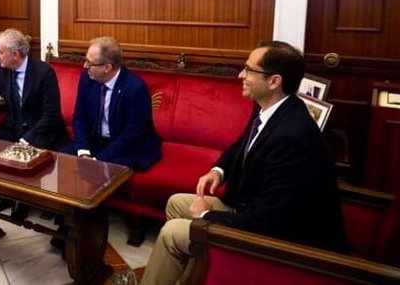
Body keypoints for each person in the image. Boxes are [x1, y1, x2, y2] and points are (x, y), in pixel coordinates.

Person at [140, 41, 347, 285]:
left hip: (283, 241)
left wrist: (207, 213)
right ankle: (195, 276)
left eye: (249, 70)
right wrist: (219, 169)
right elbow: (242, 143)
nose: (241, 75)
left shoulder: (292, 137)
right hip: (251, 208)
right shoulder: (271, 107)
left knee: (171, 234)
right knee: (177, 204)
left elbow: (267, 223)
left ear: (274, 81)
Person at [0, 28, 67, 219]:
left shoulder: (44, 73)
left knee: (25, 154)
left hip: (41, 129)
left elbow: (51, 115)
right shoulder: (2, 69)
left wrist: (26, 139)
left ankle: (23, 199)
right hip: (14, 124)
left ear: (15, 54)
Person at [60, 36, 161, 171]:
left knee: (104, 172)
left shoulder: (135, 88)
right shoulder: (88, 78)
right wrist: (83, 152)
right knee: (61, 160)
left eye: (90, 63)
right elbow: (80, 118)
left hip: (128, 148)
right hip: (95, 142)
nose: (85, 66)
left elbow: (132, 135)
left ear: (107, 67)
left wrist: (97, 160)